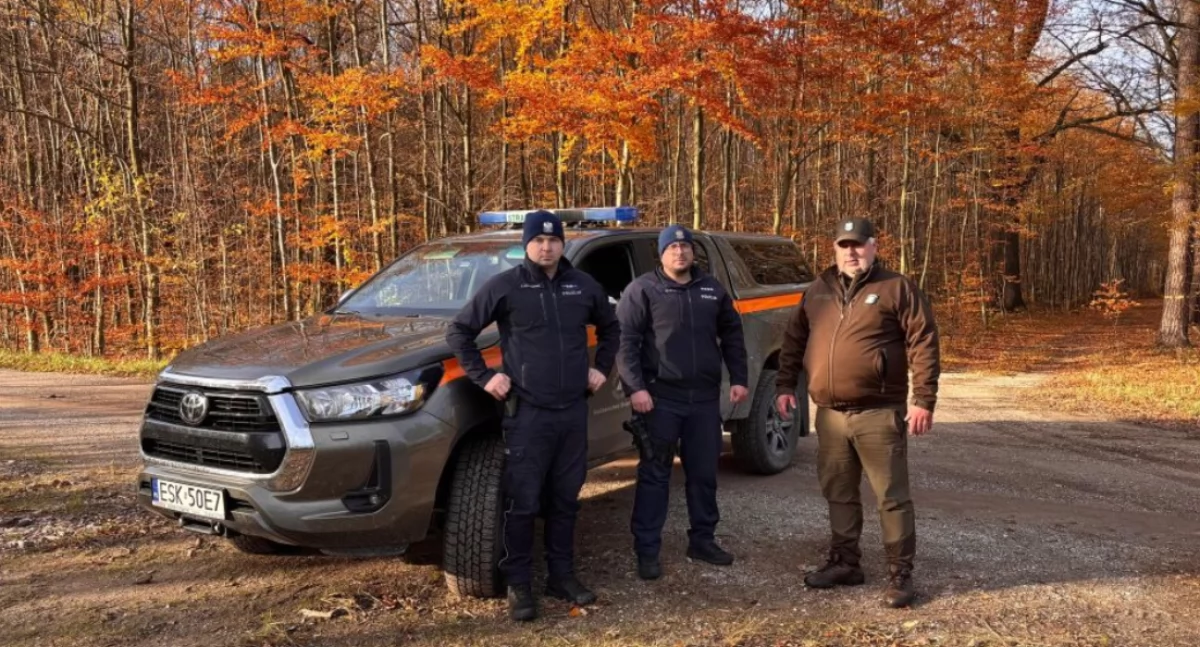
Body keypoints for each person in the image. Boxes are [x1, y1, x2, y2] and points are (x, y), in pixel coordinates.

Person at [446, 210, 620, 622]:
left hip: (572, 411)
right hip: (528, 414)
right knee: (522, 503)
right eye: (538, 241)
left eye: (553, 240)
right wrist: (485, 377)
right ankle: (518, 583)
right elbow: (459, 331)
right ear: (526, 244)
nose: (546, 247)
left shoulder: (582, 285)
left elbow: (612, 327)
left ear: (562, 244)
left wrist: (602, 368)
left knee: (565, 499)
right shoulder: (506, 287)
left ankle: (560, 576)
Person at [774, 217, 940, 608]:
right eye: (844, 245)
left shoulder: (896, 288)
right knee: (839, 491)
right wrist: (784, 385)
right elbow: (794, 340)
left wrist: (924, 399)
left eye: (859, 244)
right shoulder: (817, 291)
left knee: (891, 496)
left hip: (879, 413)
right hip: (829, 414)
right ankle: (845, 562)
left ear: (873, 246)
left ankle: (900, 575)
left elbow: (924, 341)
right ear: (834, 249)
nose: (851, 252)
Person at [617, 224, 749, 581]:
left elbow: (733, 335)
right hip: (659, 400)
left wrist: (739, 378)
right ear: (661, 254)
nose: (680, 253)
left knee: (704, 475)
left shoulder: (711, 290)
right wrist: (636, 389)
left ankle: (702, 540)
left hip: (704, 400)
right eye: (672, 248)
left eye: (685, 247)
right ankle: (647, 550)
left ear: (693, 252)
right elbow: (625, 343)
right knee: (655, 476)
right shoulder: (642, 290)